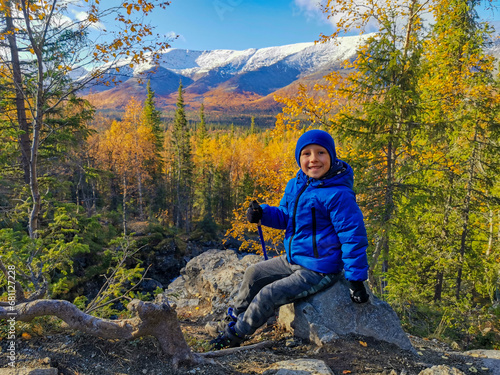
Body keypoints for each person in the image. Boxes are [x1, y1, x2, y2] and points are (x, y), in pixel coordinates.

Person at [209, 129, 370, 350]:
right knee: (253, 273)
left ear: (331, 157)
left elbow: (353, 235)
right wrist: (262, 214)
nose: (314, 159)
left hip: (318, 269)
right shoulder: (296, 184)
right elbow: (285, 216)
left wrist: (356, 279)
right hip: (293, 259)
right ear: (299, 158)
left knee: (268, 294)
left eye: (321, 152)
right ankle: (236, 316)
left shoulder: (338, 194)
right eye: (307, 154)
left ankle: (236, 335)